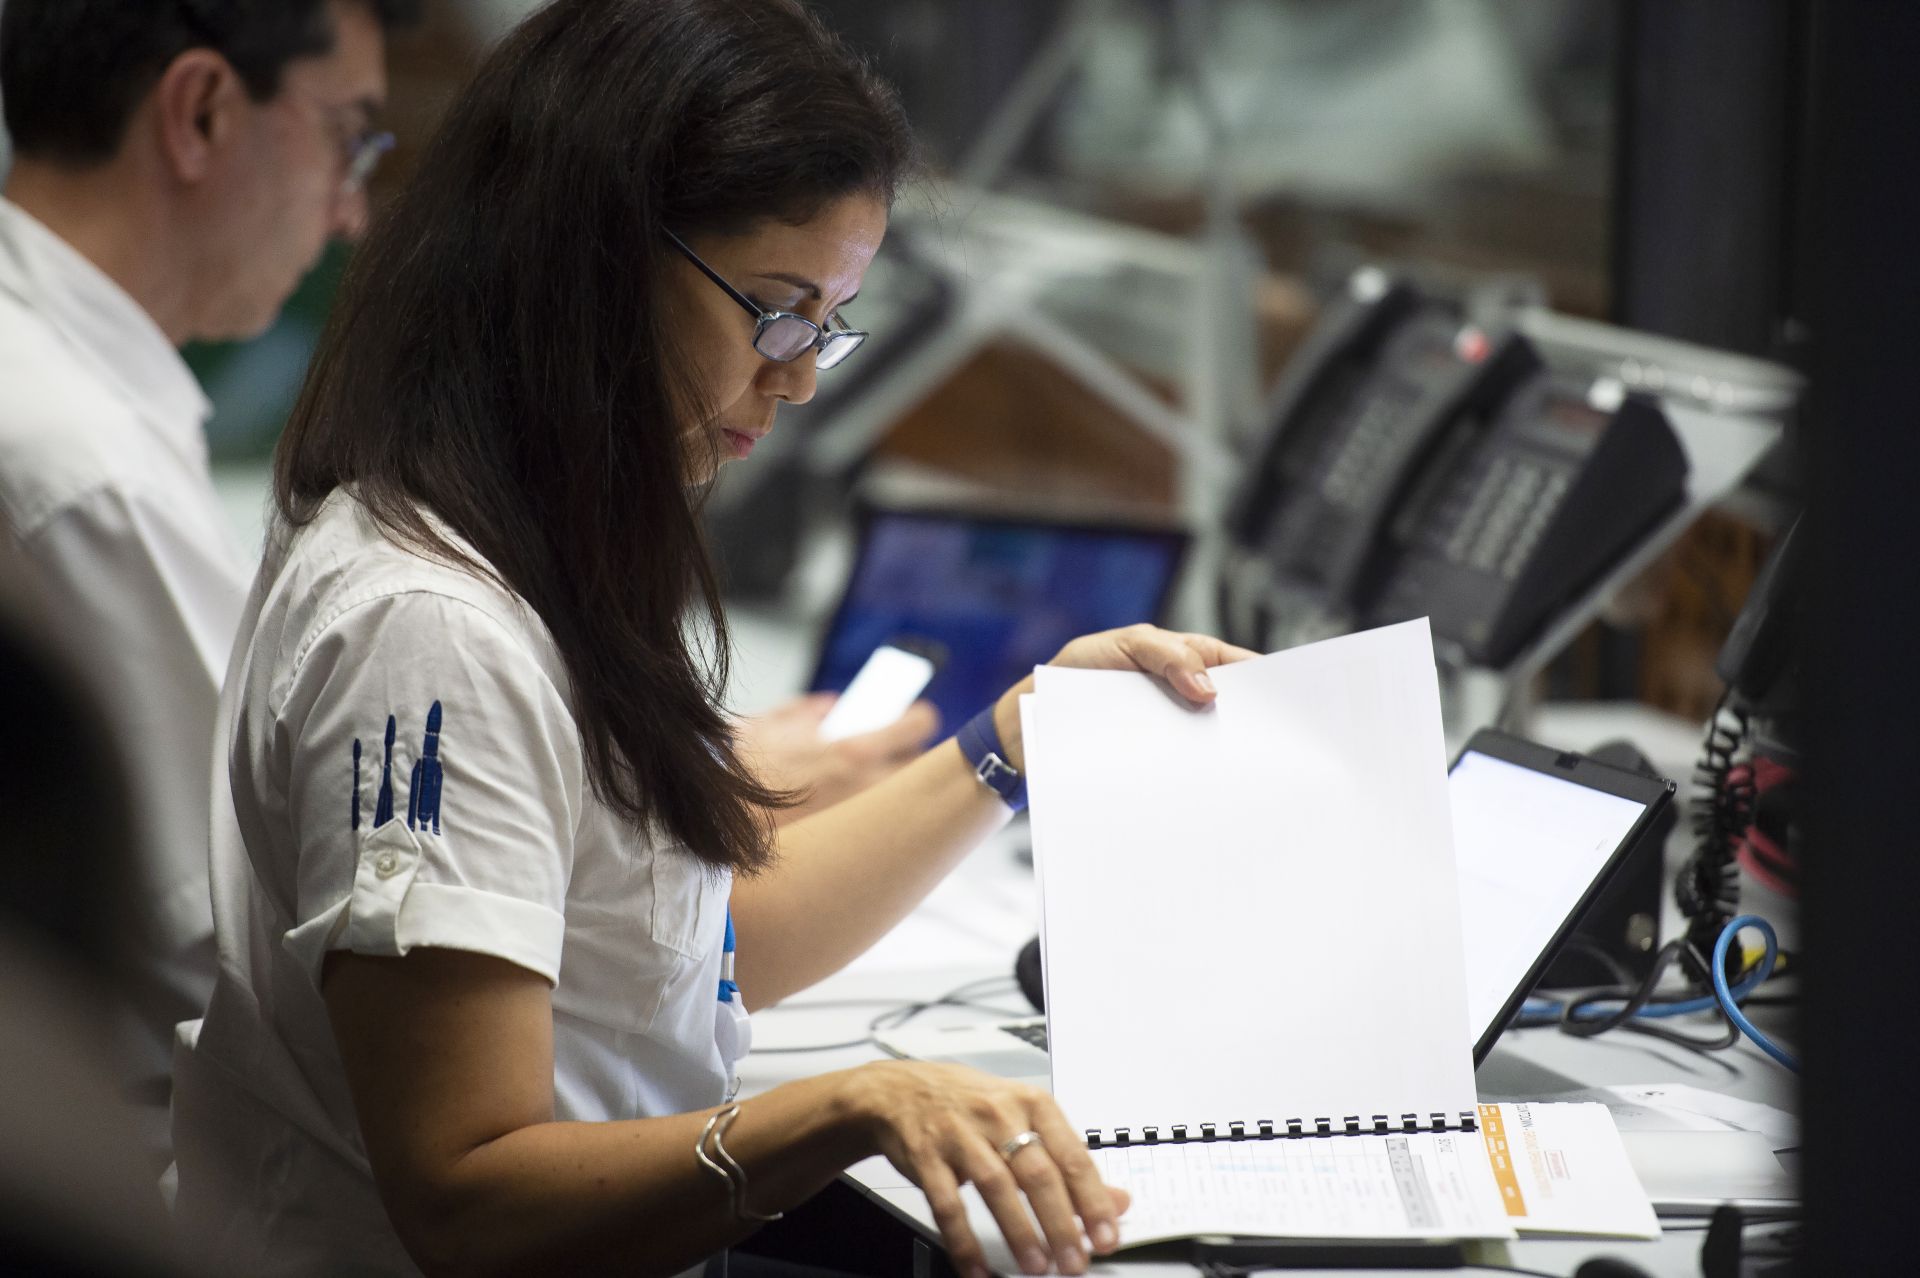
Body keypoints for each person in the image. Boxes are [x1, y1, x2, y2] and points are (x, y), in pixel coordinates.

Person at [169, 2, 1253, 1275]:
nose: (799, 377)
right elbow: (467, 1197)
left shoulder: (537, 538)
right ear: (588, 259)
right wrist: (845, 1107)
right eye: (777, 312)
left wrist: (1016, 743)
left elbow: (679, 953)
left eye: (828, 325)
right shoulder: (434, 629)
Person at [0, 0, 419, 1151]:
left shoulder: (66, 385)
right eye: (349, 139)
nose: (351, 212)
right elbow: (247, 928)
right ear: (199, 112)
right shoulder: (79, 464)